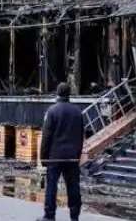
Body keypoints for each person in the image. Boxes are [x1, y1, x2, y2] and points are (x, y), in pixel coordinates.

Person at [39, 82, 84, 221]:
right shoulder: (77, 112)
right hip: (72, 157)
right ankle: (74, 216)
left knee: (51, 187)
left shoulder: (52, 111)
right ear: (69, 94)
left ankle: (49, 216)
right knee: (73, 187)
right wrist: (77, 155)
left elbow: (46, 136)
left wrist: (43, 157)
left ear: (57, 93)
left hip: (55, 156)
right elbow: (80, 135)